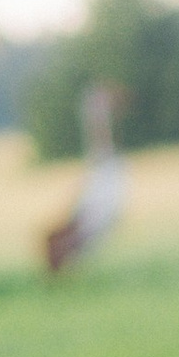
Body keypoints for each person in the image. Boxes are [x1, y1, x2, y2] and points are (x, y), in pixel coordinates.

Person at [43, 82, 128, 274]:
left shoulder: (105, 164)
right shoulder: (105, 168)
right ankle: (63, 268)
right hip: (103, 178)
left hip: (102, 176)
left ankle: (66, 268)